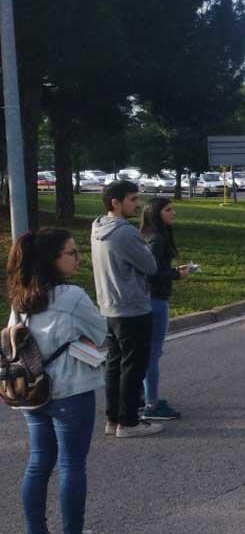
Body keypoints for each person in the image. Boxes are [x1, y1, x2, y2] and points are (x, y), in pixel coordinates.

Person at [8, 229, 109, 534]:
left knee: (38, 464)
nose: (78, 258)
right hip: (70, 390)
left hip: (32, 391)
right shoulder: (72, 296)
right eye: (71, 253)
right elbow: (99, 331)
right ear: (53, 260)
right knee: (71, 464)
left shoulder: (20, 298)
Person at [92, 180, 163, 438]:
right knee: (134, 366)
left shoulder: (98, 226)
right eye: (132, 199)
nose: (137, 204)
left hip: (109, 306)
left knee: (114, 364)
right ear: (116, 202)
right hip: (132, 307)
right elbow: (150, 265)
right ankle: (129, 422)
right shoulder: (125, 232)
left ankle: (113, 418)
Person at [140, 197, 190, 421]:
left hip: (151, 298)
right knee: (152, 353)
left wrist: (172, 270)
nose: (173, 213)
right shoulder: (157, 239)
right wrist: (175, 274)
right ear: (156, 213)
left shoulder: (151, 236)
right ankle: (151, 402)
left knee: (148, 352)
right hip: (155, 300)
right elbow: (150, 271)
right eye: (168, 210)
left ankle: (144, 397)